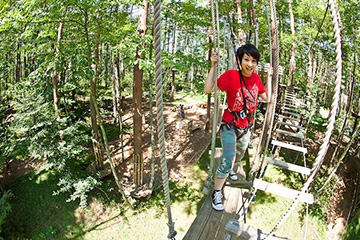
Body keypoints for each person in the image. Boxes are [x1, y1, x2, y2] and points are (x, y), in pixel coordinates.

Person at [204, 44, 272, 211]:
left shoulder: (256, 79)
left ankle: (232, 169)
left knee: (239, 156)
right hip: (230, 124)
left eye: (253, 61)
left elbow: (267, 98)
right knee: (228, 158)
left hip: (246, 127)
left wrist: (269, 77)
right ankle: (217, 191)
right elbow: (208, 89)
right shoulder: (231, 76)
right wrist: (213, 66)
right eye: (246, 59)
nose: (250, 64)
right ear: (239, 61)